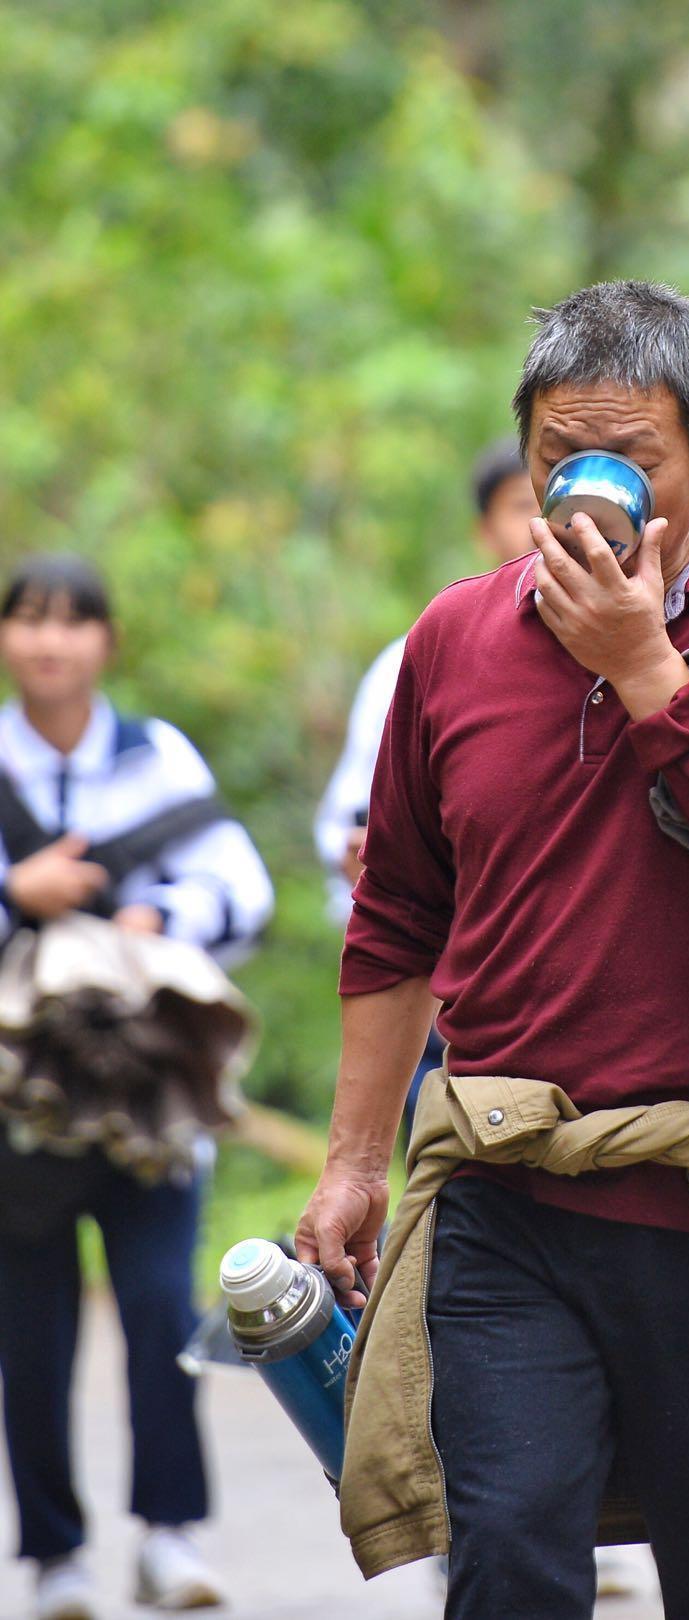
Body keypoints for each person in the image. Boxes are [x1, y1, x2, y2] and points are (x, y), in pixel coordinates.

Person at [297, 281, 689, 1620]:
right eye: (562, 455)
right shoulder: (452, 640)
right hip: (502, 1192)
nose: (593, 490)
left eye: (633, 460)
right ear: (522, 458)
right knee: (506, 1557)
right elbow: (396, 913)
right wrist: (349, 1166)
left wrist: (646, 670)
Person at [0, 555, 274, 1620]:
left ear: (107, 640)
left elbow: (237, 882)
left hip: (150, 1086)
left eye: (71, 622)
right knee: (32, 1326)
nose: (49, 642)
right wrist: (18, 894)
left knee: (163, 1304)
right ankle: (55, 1553)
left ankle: (170, 1534)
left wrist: (163, 917)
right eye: (28, 620)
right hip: (22, 1094)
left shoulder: (155, 758)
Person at [313, 437, 537, 1133]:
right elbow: (348, 835)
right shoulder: (423, 653)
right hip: (444, 990)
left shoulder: (629, 644)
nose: (541, 526)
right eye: (520, 507)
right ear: (483, 528)